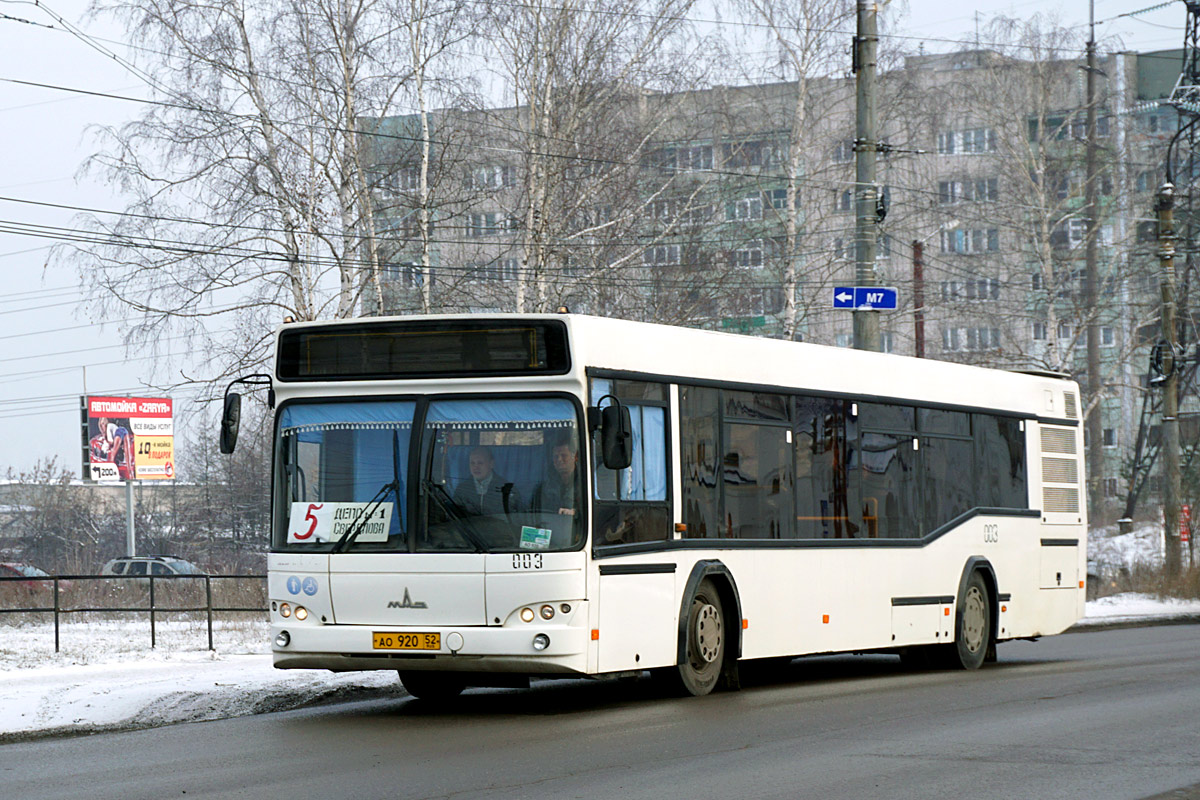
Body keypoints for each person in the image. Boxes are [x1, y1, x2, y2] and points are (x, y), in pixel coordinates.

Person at [452, 446, 519, 516]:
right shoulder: (462, 489)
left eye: (480, 463)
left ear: (491, 464)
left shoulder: (507, 489)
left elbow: (517, 518)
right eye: (472, 463)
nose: (476, 467)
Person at [532, 436, 578, 516]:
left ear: (575, 457)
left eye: (564, 455)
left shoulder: (587, 482)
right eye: (556, 457)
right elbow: (535, 512)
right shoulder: (544, 487)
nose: (559, 460)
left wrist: (575, 513)